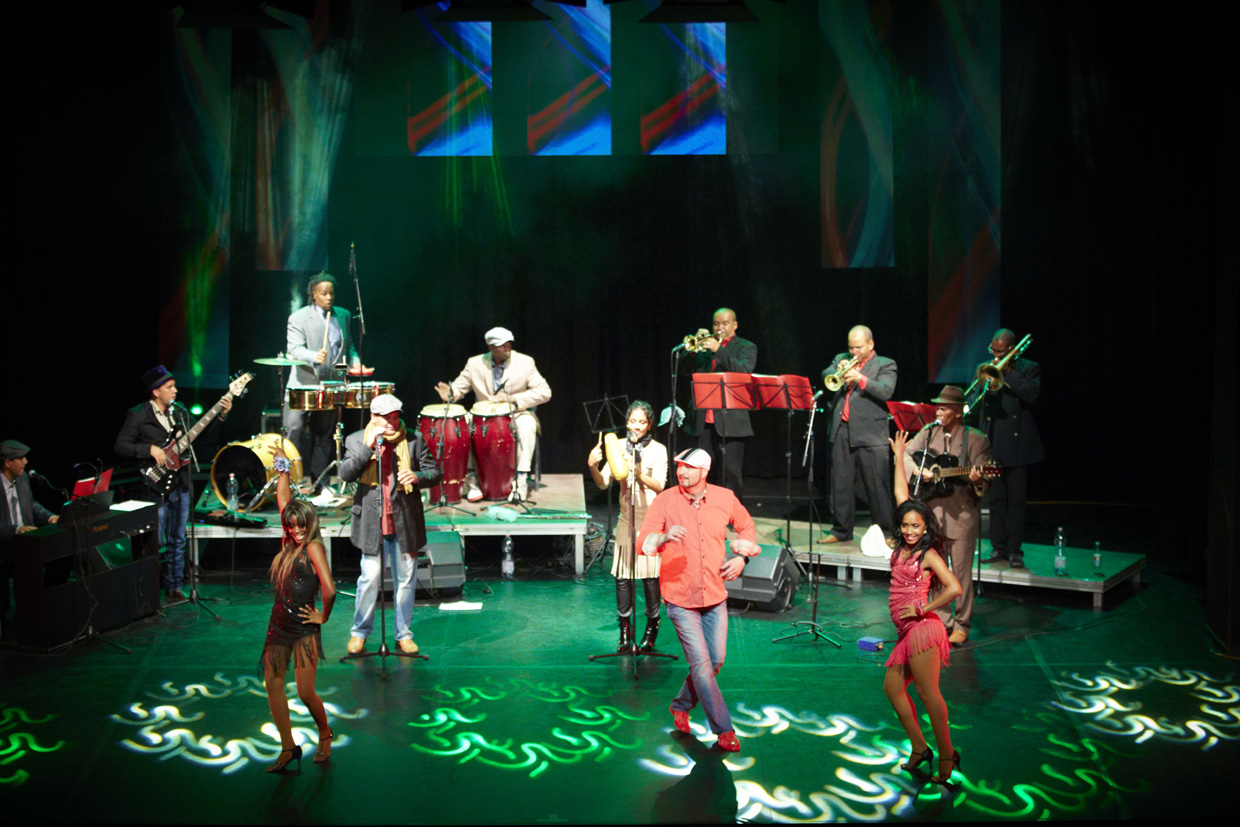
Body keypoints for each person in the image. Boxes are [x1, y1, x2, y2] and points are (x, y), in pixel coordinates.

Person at [637, 448, 760, 753]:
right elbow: (642, 542)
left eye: (689, 467)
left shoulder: (724, 498)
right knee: (702, 666)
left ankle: (680, 704)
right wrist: (663, 538)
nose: (682, 472)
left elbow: (746, 527)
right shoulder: (665, 500)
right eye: (680, 467)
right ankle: (724, 729)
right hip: (680, 598)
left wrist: (742, 557)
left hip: (714, 596)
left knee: (715, 661)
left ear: (704, 472)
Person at [885, 429, 963, 784]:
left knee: (929, 695)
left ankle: (947, 755)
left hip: (922, 630)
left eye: (916, 526)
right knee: (893, 689)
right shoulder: (903, 545)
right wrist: (898, 458)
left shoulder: (927, 554)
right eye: (905, 525)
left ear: (925, 528)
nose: (910, 530)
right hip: (905, 633)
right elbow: (902, 495)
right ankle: (920, 748)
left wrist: (922, 608)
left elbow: (954, 588)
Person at [114, 366, 231, 601]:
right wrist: (149, 449)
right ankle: (147, 592)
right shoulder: (139, 414)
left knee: (178, 539)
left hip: (180, 482)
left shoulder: (179, 412)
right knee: (155, 541)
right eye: (169, 387)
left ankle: (174, 588)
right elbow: (121, 446)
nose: (175, 390)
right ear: (155, 391)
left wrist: (221, 415)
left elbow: (201, 434)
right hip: (154, 485)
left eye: (175, 386)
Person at [339, 393, 440, 655]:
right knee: (369, 579)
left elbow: (435, 473)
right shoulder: (356, 439)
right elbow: (346, 473)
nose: (393, 423)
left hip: (404, 522)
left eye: (396, 417)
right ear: (373, 417)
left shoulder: (414, 440)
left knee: (405, 580)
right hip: (372, 522)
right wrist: (368, 447)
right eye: (386, 418)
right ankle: (360, 632)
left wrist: (417, 476)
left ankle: (403, 634)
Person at [260, 441, 336, 773]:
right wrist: (284, 470)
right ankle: (288, 747)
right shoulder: (289, 541)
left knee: (306, 693)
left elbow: (330, 589)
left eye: (301, 525)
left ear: (310, 522)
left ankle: (325, 732)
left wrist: (323, 616)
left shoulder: (314, 547)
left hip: (304, 628)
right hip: (278, 625)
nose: (296, 530)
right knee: (273, 684)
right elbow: (283, 500)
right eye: (291, 526)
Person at [901, 386, 990, 646]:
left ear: (958, 412)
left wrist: (979, 479)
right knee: (936, 573)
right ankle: (941, 621)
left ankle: (962, 624)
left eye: (944, 408)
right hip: (933, 513)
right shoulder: (929, 432)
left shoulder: (977, 439)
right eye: (937, 407)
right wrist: (918, 471)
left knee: (960, 573)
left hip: (961, 515)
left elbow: (984, 481)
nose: (938, 411)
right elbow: (906, 454)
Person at [587, 401, 668, 652]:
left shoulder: (658, 450)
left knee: (650, 577)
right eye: (632, 421)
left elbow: (660, 486)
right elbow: (603, 483)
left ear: (649, 425)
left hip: (651, 520)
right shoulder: (618, 445)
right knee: (623, 577)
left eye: (642, 422)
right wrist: (592, 465)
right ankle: (625, 631)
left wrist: (637, 471)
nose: (636, 426)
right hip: (626, 519)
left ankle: (652, 627)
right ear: (627, 422)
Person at [435, 326, 551, 502]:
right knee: (461, 426)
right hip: (482, 417)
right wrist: (450, 394)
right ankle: (472, 480)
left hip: (515, 413)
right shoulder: (474, 363)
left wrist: (513, 399)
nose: (507, 348)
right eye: (502, 345)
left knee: (527, 425)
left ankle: (520, 480)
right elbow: (459, 388)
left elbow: (545, 392)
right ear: (490, 347)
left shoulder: (525, 362)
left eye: (509, 343)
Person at [820, 325, 897, 544]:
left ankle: (886, 532)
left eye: (858, 348)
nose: (853, 352)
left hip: (871, 433)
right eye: (851, 347)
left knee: (877, 486)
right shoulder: (841, 358)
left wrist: (859, 378)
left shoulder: (886, 364)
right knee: (841, 483)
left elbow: (886, 390)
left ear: (871, 344)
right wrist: (837, 370)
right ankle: (841, 530)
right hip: (842, 429)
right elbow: (826, 375)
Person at [285, 272, 361, 491]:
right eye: (324, 293)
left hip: (330, 385)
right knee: (294, 432)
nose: (329, 297)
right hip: (303, 385)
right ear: (313, 294)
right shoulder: (298, 317)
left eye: (331, 293)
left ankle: (321, 484)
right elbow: (294, 348)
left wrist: (355, 362)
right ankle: (291, 483)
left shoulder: (343, 315)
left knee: (324, 436)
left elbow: (347, 346)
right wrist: (313, 356)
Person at [976, 329, 1043, 569]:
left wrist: (1008, 373)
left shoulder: (1029, 368)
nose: (995, 356)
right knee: (995, 500)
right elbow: (977, 400)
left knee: (1016, 502)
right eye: (993, 350)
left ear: (1012, 350)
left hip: (1018, 446)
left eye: (1000, 352)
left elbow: (1031, 395)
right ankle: (998, 547)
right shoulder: (985, 368)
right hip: (993, 441)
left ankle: (1015, 550)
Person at [687, 308, 757, 503]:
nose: (719, 328)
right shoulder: (704, 347)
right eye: (716, 323)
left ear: (735, 325)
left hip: (731, 421)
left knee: (731, 474)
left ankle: (732, 514)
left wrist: (719, 350)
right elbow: (683, 368)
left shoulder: (746, 347)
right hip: (704, 420)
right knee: (702, 471)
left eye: (725, 324)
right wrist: (692, 349)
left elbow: (743, 371)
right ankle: (702, 511)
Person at [1, 440, 60, 623]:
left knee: (60, 557)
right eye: (21, 458)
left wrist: (50, 517)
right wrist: (17, 529)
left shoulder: (22, 479)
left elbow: (31, 505)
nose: (26, 462)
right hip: (5, 544)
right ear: (8, 462)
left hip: (28, 542)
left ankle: (42, 608)